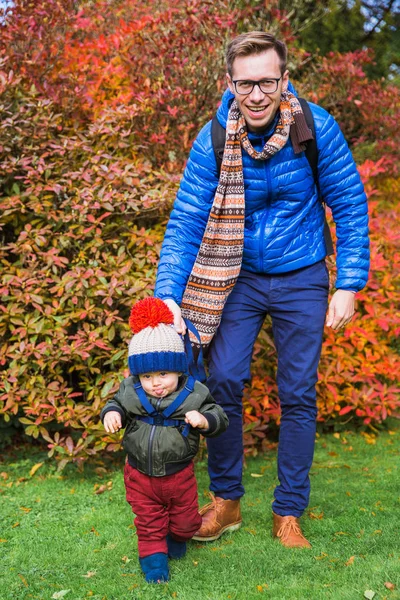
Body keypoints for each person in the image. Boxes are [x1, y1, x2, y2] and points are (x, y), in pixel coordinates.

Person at [154, 31, 369, 548]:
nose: (256, 94)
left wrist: (349, 283)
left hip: (302, 274)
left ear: (284, 80)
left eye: (266, 81)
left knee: (298, 392)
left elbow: (350, 205)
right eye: (245, 83)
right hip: (237, 276)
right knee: (223, 381)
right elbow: (185, 221)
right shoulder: (213, 138)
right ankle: (226, 501)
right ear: (230, 83)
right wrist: (167, 292)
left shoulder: (317, 127)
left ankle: (288, 511)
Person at [100, 297, 228, 583]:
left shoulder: (193, 393)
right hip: (139, 475)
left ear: (178, 369)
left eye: (163, 374)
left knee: (185, 523)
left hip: (178, 475)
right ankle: (154, 563)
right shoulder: (132, 390)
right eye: (147, 376)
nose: (156, 383)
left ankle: (178, 537)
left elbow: (219, 416)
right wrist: (111, 413)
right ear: (137, 375)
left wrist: (204, 420)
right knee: (149, 523)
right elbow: (116, 403)